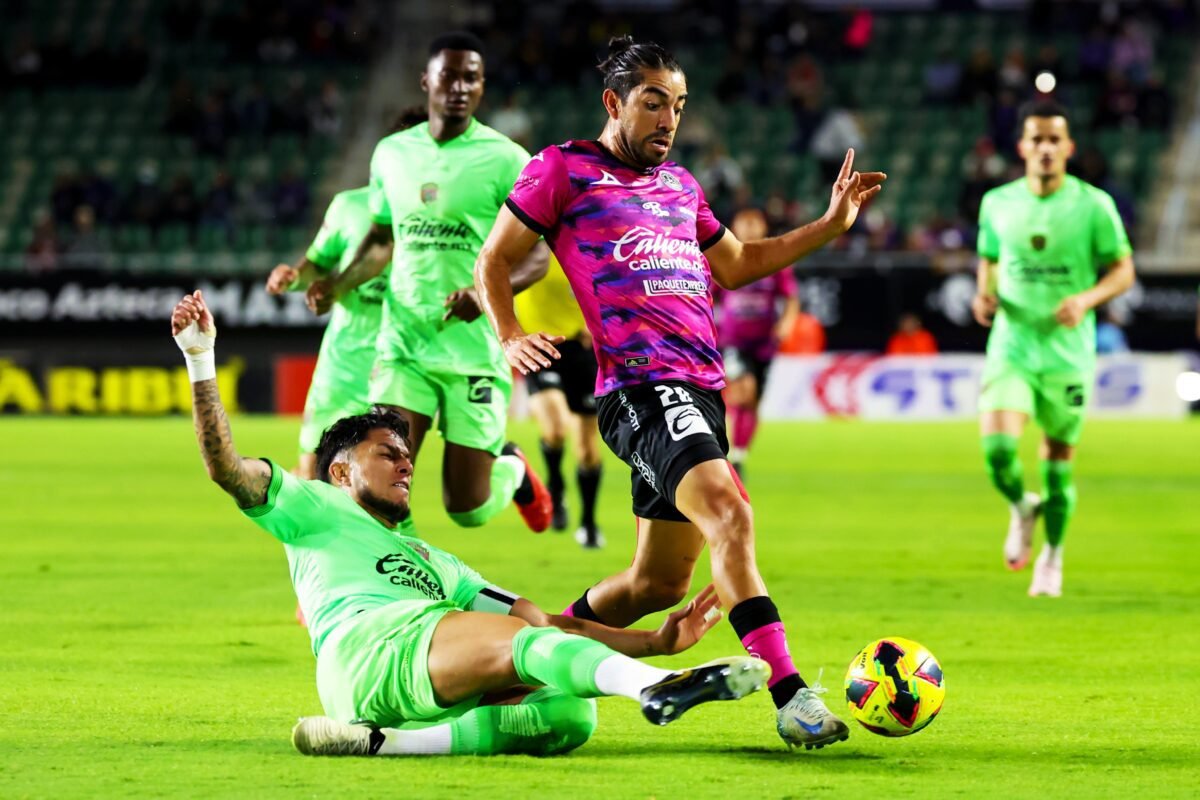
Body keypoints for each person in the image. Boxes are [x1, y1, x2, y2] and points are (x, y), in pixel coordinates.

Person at [474, 36, 885, 750]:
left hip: (702, 390)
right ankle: (791, 695)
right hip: (641, 385)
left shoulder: (682, 187)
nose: (669, 119)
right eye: (654, 102)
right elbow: (496, 258)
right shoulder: (563, 169)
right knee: (730, 514)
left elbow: (739, 263)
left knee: (655, 587)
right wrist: (507, 331)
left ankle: (526, 654)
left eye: (679, 105)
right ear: (614, 103)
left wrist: (828, 226)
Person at [170, 289, 769, 757]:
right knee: (529, 648)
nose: (407, 462)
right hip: (370, 649)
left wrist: (656, 641)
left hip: (416, 666)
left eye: (407, 453)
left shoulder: (436, 563)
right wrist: (201, 359)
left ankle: (386, 743)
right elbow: (227, 468)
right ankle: (651, 690)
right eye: (387, 453)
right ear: (341, 471)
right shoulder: (315, 507)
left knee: (568, 713)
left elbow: (541, 622)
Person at [308, 32, 554, 533]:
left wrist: (484, 296)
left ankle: (515, 469)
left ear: (482, 87)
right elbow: (381, 239)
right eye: (450, 76)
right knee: (376, 488)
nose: (459, 87)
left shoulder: (508, 159)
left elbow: (539, 257)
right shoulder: (392, 154)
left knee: (468, 509)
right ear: (427, 81)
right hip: (404, 345)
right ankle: (403, 594)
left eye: (471, 78)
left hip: (476, 352)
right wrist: (337, 282)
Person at [972, 99, 1135, 598]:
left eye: (1053, 139)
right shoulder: (997, 203)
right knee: (998, 451)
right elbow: (990, 258)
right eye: (1036, 139)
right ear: (1022, 147)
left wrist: (1086, 299)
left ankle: (1053, 556)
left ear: (1068, 147)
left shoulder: (1094, 205)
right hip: (1013, 344)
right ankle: (1022, 505)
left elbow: (1123, 271)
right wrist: (984, 292)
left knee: (1057, 460)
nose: (1045, 148)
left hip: (1067, 351)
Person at [265, 107, 428, 481]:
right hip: (344, 363)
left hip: (403, 364)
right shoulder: (350, 206)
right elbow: (317, 264)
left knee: (383, 483)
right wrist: (294, 277)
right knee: (312, 473)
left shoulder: (447, 214)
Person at [515, 253, 605, 547]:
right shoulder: (528, 245)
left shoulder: (589, 245)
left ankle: (588, 523)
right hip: (540, 347)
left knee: (588, 450)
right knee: (554, 429)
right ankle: (555, 486)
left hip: (581, 351)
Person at [715, 208, 800, 476]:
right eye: (745, 224)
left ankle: (739, 455)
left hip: (764, 342)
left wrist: (787, 322)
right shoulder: (727, 258)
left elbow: (791, 298)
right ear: (735, 228)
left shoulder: (773, 261)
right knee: (744, 390)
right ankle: (727, 452)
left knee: (752, 402)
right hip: (733, 340)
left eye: (755, 224)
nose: (750, 229)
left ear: (763, 228)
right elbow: (708, 293)